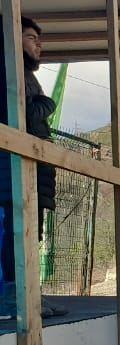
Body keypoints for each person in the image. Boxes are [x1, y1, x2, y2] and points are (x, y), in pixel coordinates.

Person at [0, 17, 63, 319]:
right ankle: (13, 300)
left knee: (29, 234)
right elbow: (18, 113)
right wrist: (47, 104)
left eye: (39, 39)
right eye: (30, 37)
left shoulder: (25, 74)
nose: (39, 45)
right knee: (14, 234)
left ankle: (29, 296)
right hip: (11, 168)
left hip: (30, 170)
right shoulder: (7, 71)